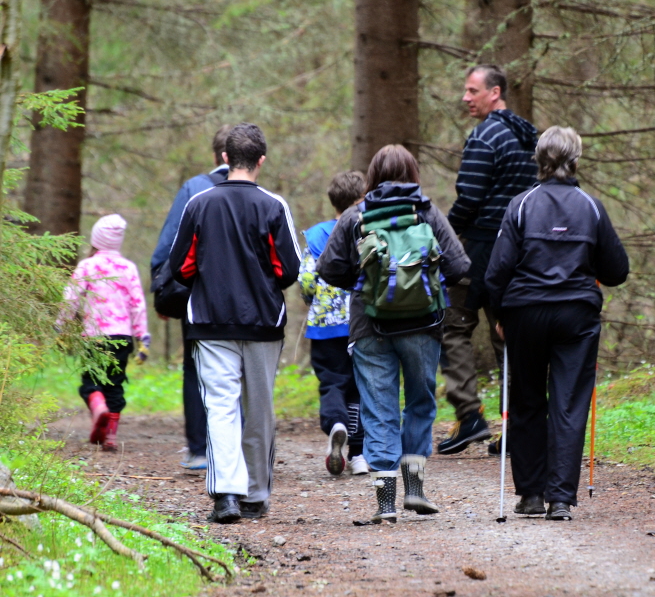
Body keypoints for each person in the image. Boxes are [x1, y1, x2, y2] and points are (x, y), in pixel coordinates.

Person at [318, 145, 470, 524]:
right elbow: (460, 265)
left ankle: (385, 502)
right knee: (419, 401)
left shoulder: (357, 214)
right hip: (424, 324)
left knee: (378, 408)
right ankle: (414, 489)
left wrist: (362, 279)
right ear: (413, 173)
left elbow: (328, 268)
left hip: (370, 325)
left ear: (371, 177)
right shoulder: (427, 211)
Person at [485, 126, 629, 521]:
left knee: (528, 399)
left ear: (539, 161)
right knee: (569, 403)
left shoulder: (521, 204)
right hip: (576, 317)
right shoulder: (591, 206)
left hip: (525, 315)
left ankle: (531, 495)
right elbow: (617, 271)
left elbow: (497, 272)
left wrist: (501, 317)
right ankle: (560, 499)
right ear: (575, 160)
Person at [168, 123, 301, 524]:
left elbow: (179, 266)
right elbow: (289, 269)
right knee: (259, 408)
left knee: (221, 408)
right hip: (263, 321)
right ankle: (256, 496)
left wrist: (209, 282)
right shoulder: (274, 205)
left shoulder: (200, 203)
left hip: (210, 320)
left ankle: (226, 494)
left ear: (225, 159)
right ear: (261, 160)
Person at [438, 64, 538, 456]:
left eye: (472, 91)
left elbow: (470, 199)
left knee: (453, 324)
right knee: (507, 333)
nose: (466, 98)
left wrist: (443, 233)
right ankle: (515, 425)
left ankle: (470, 415)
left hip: (479, 246)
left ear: (494, 93)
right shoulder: (528, 135)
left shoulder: (484, 137)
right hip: (520, 249)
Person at [150, 124, 233, 471]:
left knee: (195, 368)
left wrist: (163, 288)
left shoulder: (194, 188)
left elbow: (170, 243)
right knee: (238, 370)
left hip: (196, 296)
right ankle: (235, 451)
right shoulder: (261, 192)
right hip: (244, 301)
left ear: (217, 156)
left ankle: (200, 450)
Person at [298, 170, 369, 477]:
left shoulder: (315, 237)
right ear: (359, 200)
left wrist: (312, 299)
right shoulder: (366, 232)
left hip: (325, 327)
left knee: (332, 382)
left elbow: (306, 282)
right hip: (361, 324)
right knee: (361, 387)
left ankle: (335, 423)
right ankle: (359, 454)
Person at [62, 214, 150, 452]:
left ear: (96, 239)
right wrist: (143, 338)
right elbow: (138, 305)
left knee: (91, 382)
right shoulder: (129, 268)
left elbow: (71, 298)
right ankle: (110, 436)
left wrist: (61, 324)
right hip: (122, 338)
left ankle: (97, 405)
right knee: (115, 383)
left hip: (94, 337)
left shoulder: (87, 266)